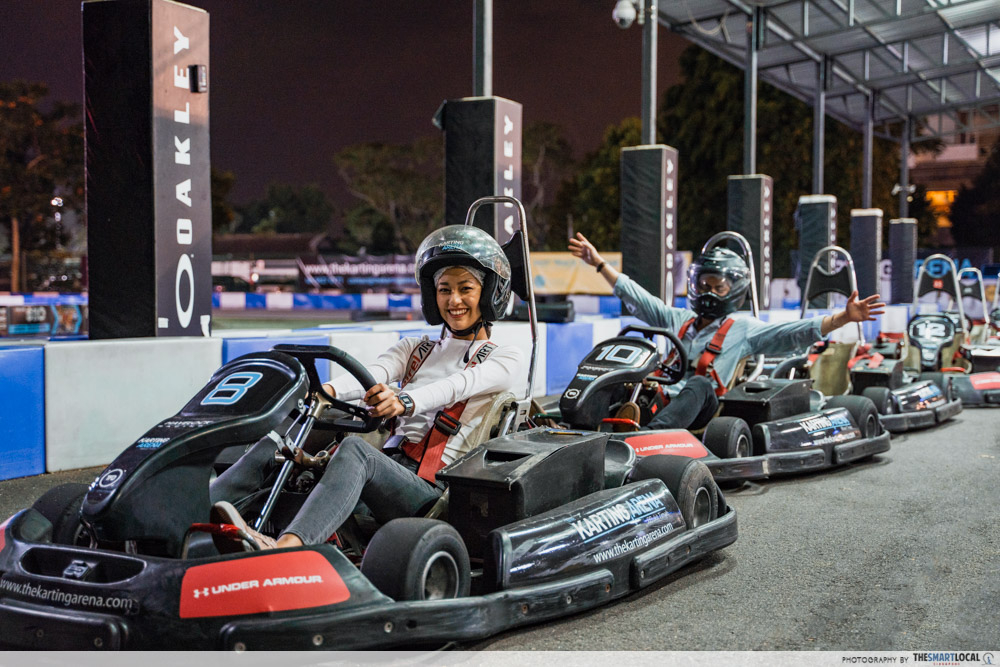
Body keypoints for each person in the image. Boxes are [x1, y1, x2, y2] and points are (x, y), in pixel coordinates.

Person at [210, 225, 526, 551]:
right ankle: (193, 516)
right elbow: (372, 374)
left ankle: (284, 548)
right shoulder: (416, 349)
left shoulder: (504, 356)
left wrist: (404, 400)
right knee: (288, 435)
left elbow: (456, 386)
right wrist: (322, 392)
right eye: (444, 289)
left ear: (489, 293)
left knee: (356, 451)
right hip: (385, 470)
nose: (454, 299)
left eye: (466, 288)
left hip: (432, 493)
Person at [568, 232, 884, 431]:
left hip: (705, 406)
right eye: (704, 285)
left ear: (733, 290)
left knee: (700, 384)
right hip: (661, 397)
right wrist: (598, 263)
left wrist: (842, 318)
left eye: (717, 286)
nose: (708, 292)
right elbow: (638, 297)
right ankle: (581, 424)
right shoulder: (679, 318)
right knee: (623, 379)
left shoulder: (743, 328)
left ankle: (647, 437)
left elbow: (790, 333)